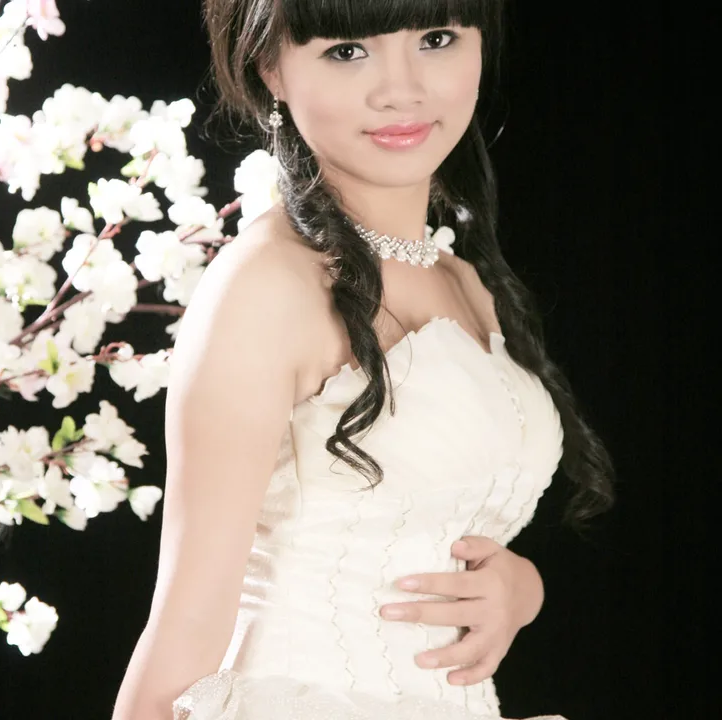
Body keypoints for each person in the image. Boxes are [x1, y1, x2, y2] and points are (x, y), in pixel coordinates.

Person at [112, 1, 615, 718]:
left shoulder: (464, 280)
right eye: (348, 51)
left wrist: (520, 589)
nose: (402, 90)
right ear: (270, 69)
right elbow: (186, 623)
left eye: (436, 38)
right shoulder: (266, 286)